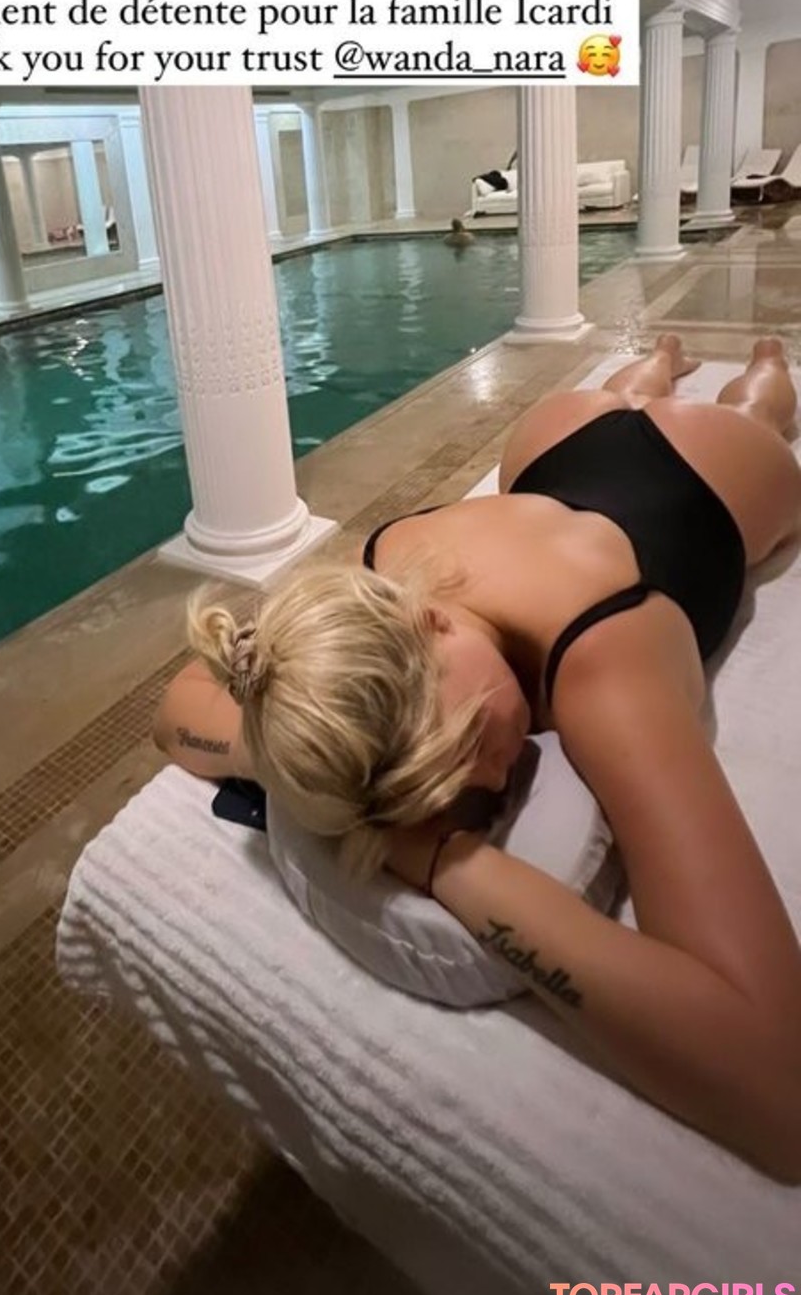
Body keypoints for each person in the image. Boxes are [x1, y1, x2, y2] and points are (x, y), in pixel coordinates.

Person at [154, 336, 801, 1179]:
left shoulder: (605, 663)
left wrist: (445, 863)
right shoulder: (375, 591)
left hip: (709, 473)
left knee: (757, 411)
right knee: (629, 389)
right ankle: (652, 366)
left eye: (465, 744)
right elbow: (178, 708)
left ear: (434, 623)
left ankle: (758, 368)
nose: (493, 779)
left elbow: (778, 1091)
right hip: (554, 440)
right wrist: (313, 768)